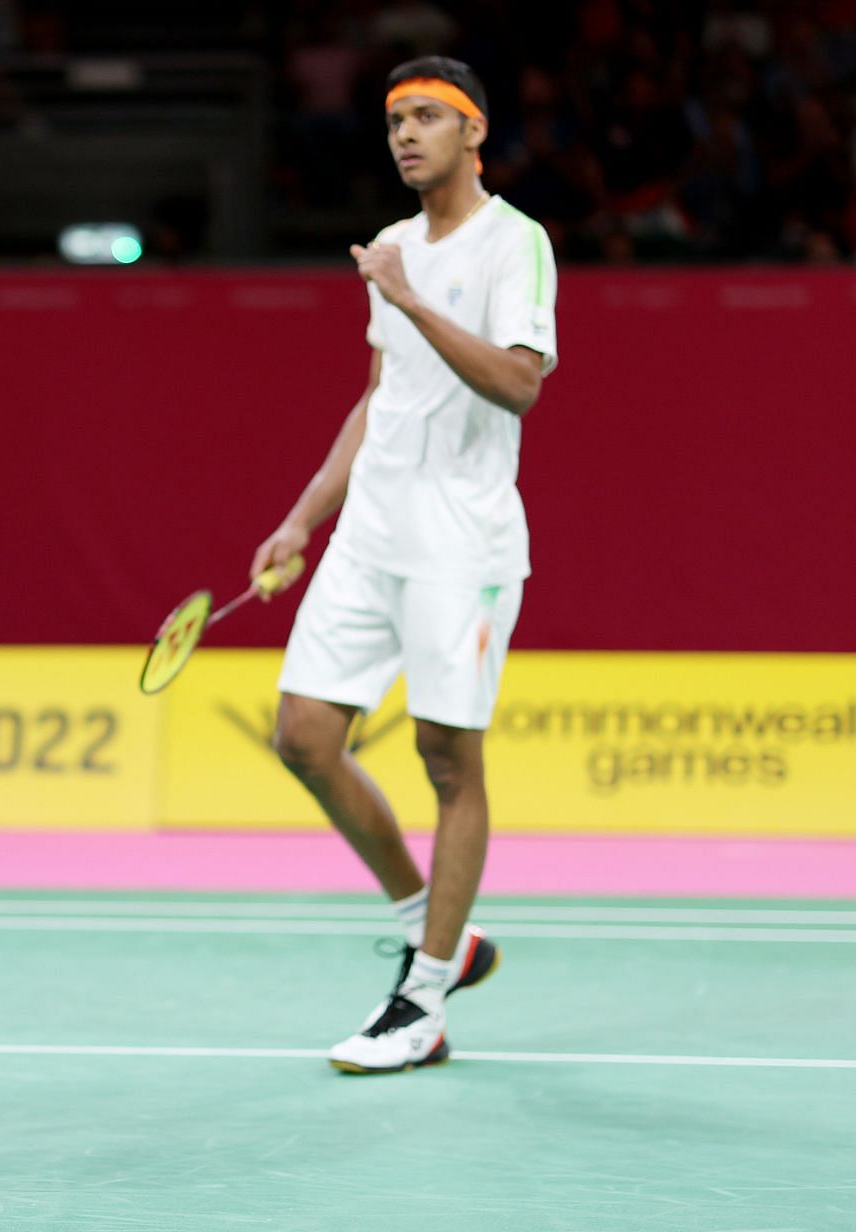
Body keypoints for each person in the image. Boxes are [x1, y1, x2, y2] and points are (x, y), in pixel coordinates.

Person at [249, 56, 556, 1075]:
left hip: (462, 536)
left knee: (444, 756)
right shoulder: (389, 246)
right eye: (393, 120)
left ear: (474, 131)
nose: (405, 135)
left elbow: (518, 383)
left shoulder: (518, 244)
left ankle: (422, 998)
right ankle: (439, 923)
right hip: (371, 527)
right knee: (302, 733)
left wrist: (412, 297)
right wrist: (301, 518)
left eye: (427, 117)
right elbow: (381, 397)